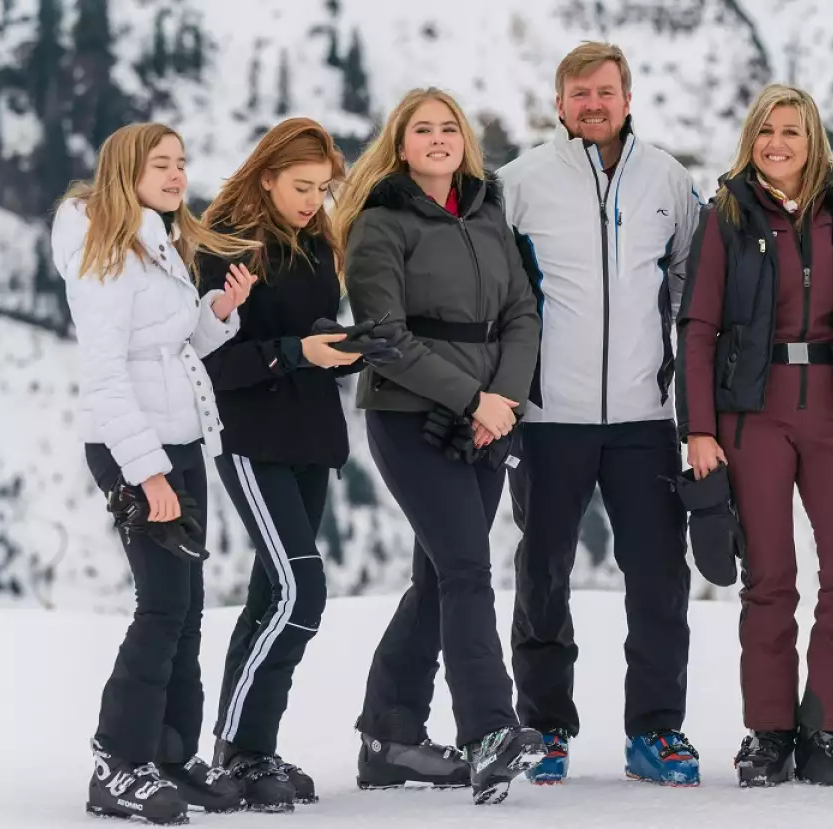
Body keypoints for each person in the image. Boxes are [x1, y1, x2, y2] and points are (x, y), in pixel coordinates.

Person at [676, 83, 833, 790]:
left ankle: (828, 729)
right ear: (750, 138)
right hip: (753, 415)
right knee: (769, 577)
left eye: (792, 131)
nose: (777, 143)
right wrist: (699, 429)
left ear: (814, 143)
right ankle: (771, 730)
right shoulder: (726, 215)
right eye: (766, 130)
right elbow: (698, 328)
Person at [495, 40, 702, 787]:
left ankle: (656, 730)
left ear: (626, 98)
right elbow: (495, 293)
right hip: (549, 415)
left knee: (659, 575)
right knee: (542, 574)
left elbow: (689, 284)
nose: (593, 104)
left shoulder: (667, 179)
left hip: (645, 417)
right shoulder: (517, 183)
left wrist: (677, 381)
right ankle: (545, 726)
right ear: (558, 103)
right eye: (579, 93)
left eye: (605, 91)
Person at [331, 87, 545, 806]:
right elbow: (384, 338)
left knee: (439, 578)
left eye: (448, 127)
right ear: (400, 145)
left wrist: (501, 401)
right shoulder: (380, 224)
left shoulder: (487, 213)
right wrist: (471, 399)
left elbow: (522, 312)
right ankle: (490, 730)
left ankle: (389, 736)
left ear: (464, 141)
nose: (438, 138)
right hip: (410, 418)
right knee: (465, 569)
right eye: (422, 129)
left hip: (487, 418)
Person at [51, 122, 259, 824]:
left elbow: (168, 344)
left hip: (179, 439)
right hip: (135, 448)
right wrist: (148, 474)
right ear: (125, 172)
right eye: (160, 164)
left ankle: (169, 756)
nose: (176, 175)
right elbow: (107, 377)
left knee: (188, 606)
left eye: (181, 162)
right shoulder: (105, 251)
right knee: (163, 604)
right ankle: (118, 762)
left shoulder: (155, 241)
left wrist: (219, 310)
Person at [195, 117, 400, 811]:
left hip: (311, 438)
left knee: (270, 598)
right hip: (252, 440)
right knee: (299, 593)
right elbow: (211, 363)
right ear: (266, 178)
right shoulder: (224, 248)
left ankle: (250, 748)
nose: (314, 201)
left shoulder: (317, 243)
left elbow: (305, 340)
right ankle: (239, 748)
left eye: (322, 189)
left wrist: (344, 349)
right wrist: (295, 352)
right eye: (301, 186)